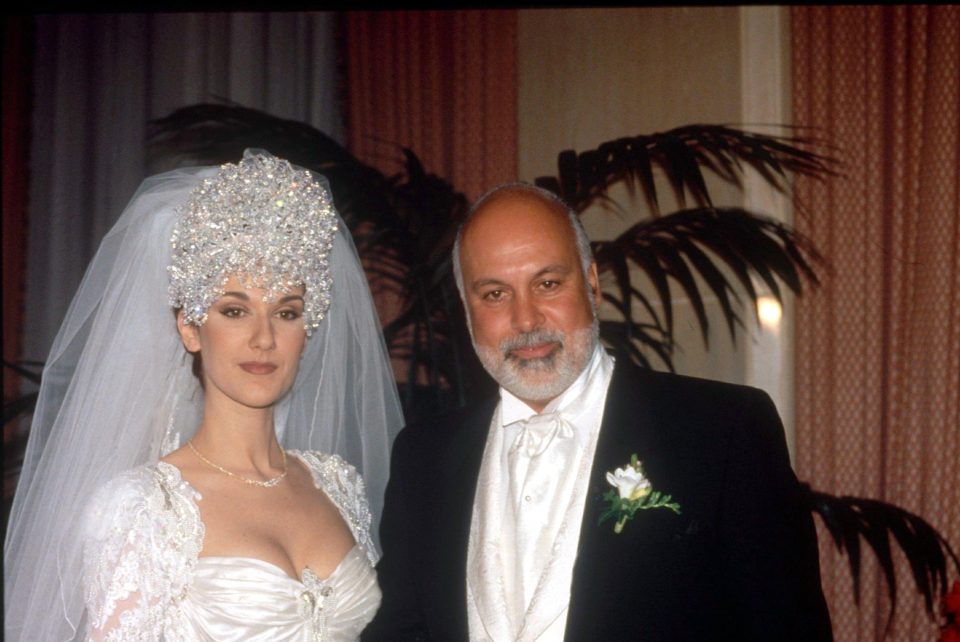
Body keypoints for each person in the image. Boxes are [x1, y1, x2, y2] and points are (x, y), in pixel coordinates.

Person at [364, 183, 833, 641]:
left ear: (592, 283)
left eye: (547, 283)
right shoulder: (424, 456)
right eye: (494, 294)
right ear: (465, 309)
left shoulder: (724, 431)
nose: (526, 320)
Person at [3, 150, 405, 641]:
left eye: (287, 312)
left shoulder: (339, 485)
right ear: (191, 329)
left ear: (309, 327)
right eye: (235, 311)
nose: (264, 338)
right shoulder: (143, 507)